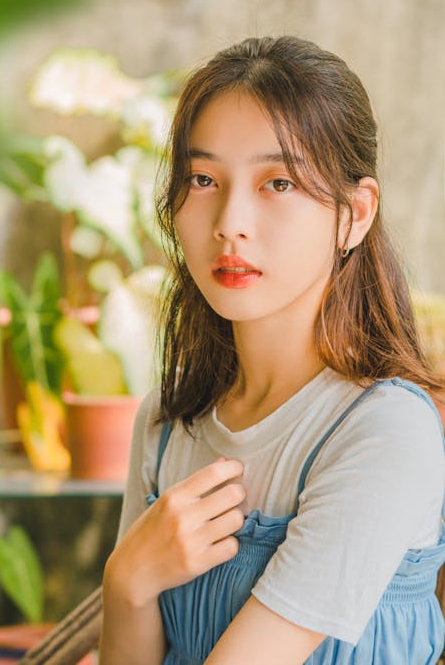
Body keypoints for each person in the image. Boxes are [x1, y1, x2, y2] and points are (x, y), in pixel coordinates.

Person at [99, 36, 445, 665]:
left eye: (277, 183)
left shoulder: (384, 431)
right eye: (202, 179)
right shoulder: (167, 422)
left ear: (355, 214)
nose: (230, 220)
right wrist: (126, 585)